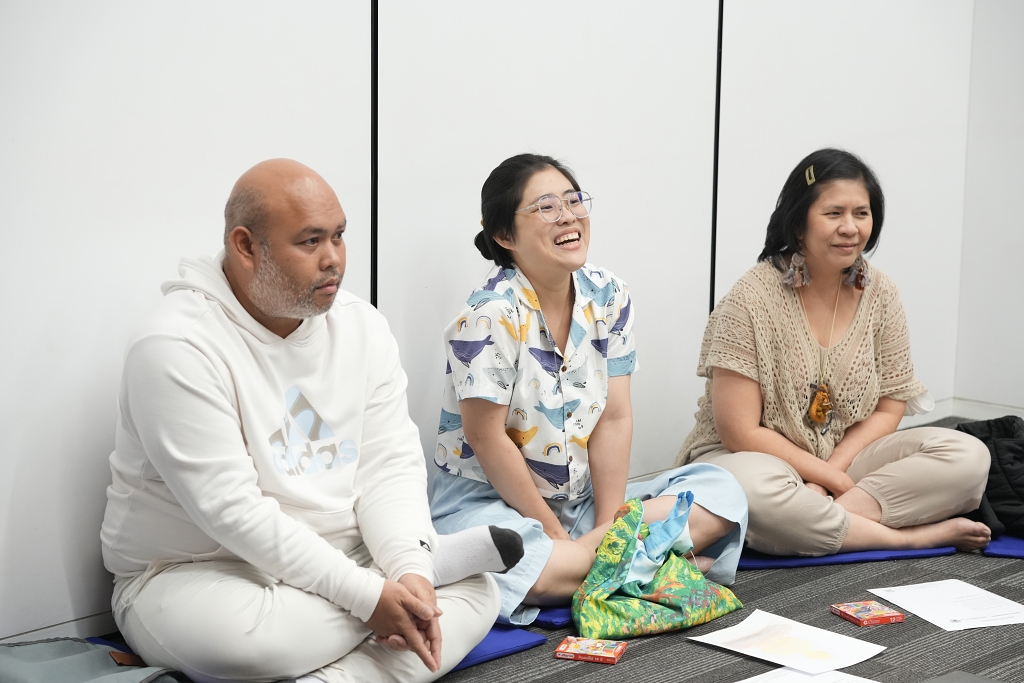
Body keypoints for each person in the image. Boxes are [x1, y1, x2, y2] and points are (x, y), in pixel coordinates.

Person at [100, 159, 522, 683]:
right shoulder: (175, 344)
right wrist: (368, 597)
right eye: (311, 241)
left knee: (481, 593)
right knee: (247, 645)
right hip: (202, 573)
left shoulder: (362, 325)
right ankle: (410, 593)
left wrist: (405, 569)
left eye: (339, 236)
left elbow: (388, 467)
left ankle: (384, 616)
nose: (334, 260)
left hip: (348, 553)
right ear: (246, 246)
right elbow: (231, 511)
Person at [429, 153, 748, 625]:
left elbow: (614, 417)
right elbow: (486, 438)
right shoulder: (488, 314)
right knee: (522, 560)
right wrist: (554, 535)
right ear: (504, 235)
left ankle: (602, 566)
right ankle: (645, 568)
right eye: (546, 207)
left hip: (581, 505)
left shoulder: (609, 294)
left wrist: (610, 529)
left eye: (573, 201)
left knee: (725, 494)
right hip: (491, 503)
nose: (568, 216)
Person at [674, 148, 991, 557]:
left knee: (968, 456)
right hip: (752, 458)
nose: (850, 228)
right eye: (833, 213)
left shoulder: (881, 292)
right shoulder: (750, 298)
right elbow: (740, 432)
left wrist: (827, 477)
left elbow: (889, 406)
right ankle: (912, 537)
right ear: (799, 222)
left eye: (861, 213)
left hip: (842, 456)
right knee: (755, 491)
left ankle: (814, 523)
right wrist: (836, 481)